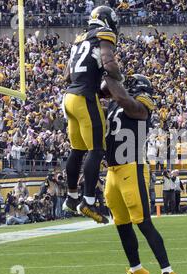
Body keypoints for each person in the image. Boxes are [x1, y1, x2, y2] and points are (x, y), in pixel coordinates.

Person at [102, 74, 179, 274]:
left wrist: (112, 79)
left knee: (143, 223)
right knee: (122, 224)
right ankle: (137, 270)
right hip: (113, 171)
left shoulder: (142, 102)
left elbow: (127, 102)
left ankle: (168, 273)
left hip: (132, 167)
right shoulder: (115, 102)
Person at [62, 5, 123, 223]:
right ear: (108, 21)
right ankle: (87, 202)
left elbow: (66, 75)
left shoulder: (79, 39)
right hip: (85, 98)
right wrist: (118, 77)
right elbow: (108, 63)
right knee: (96, 149)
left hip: (69, 97)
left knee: (76, 150)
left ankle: (71, 197)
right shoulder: (103, 35)